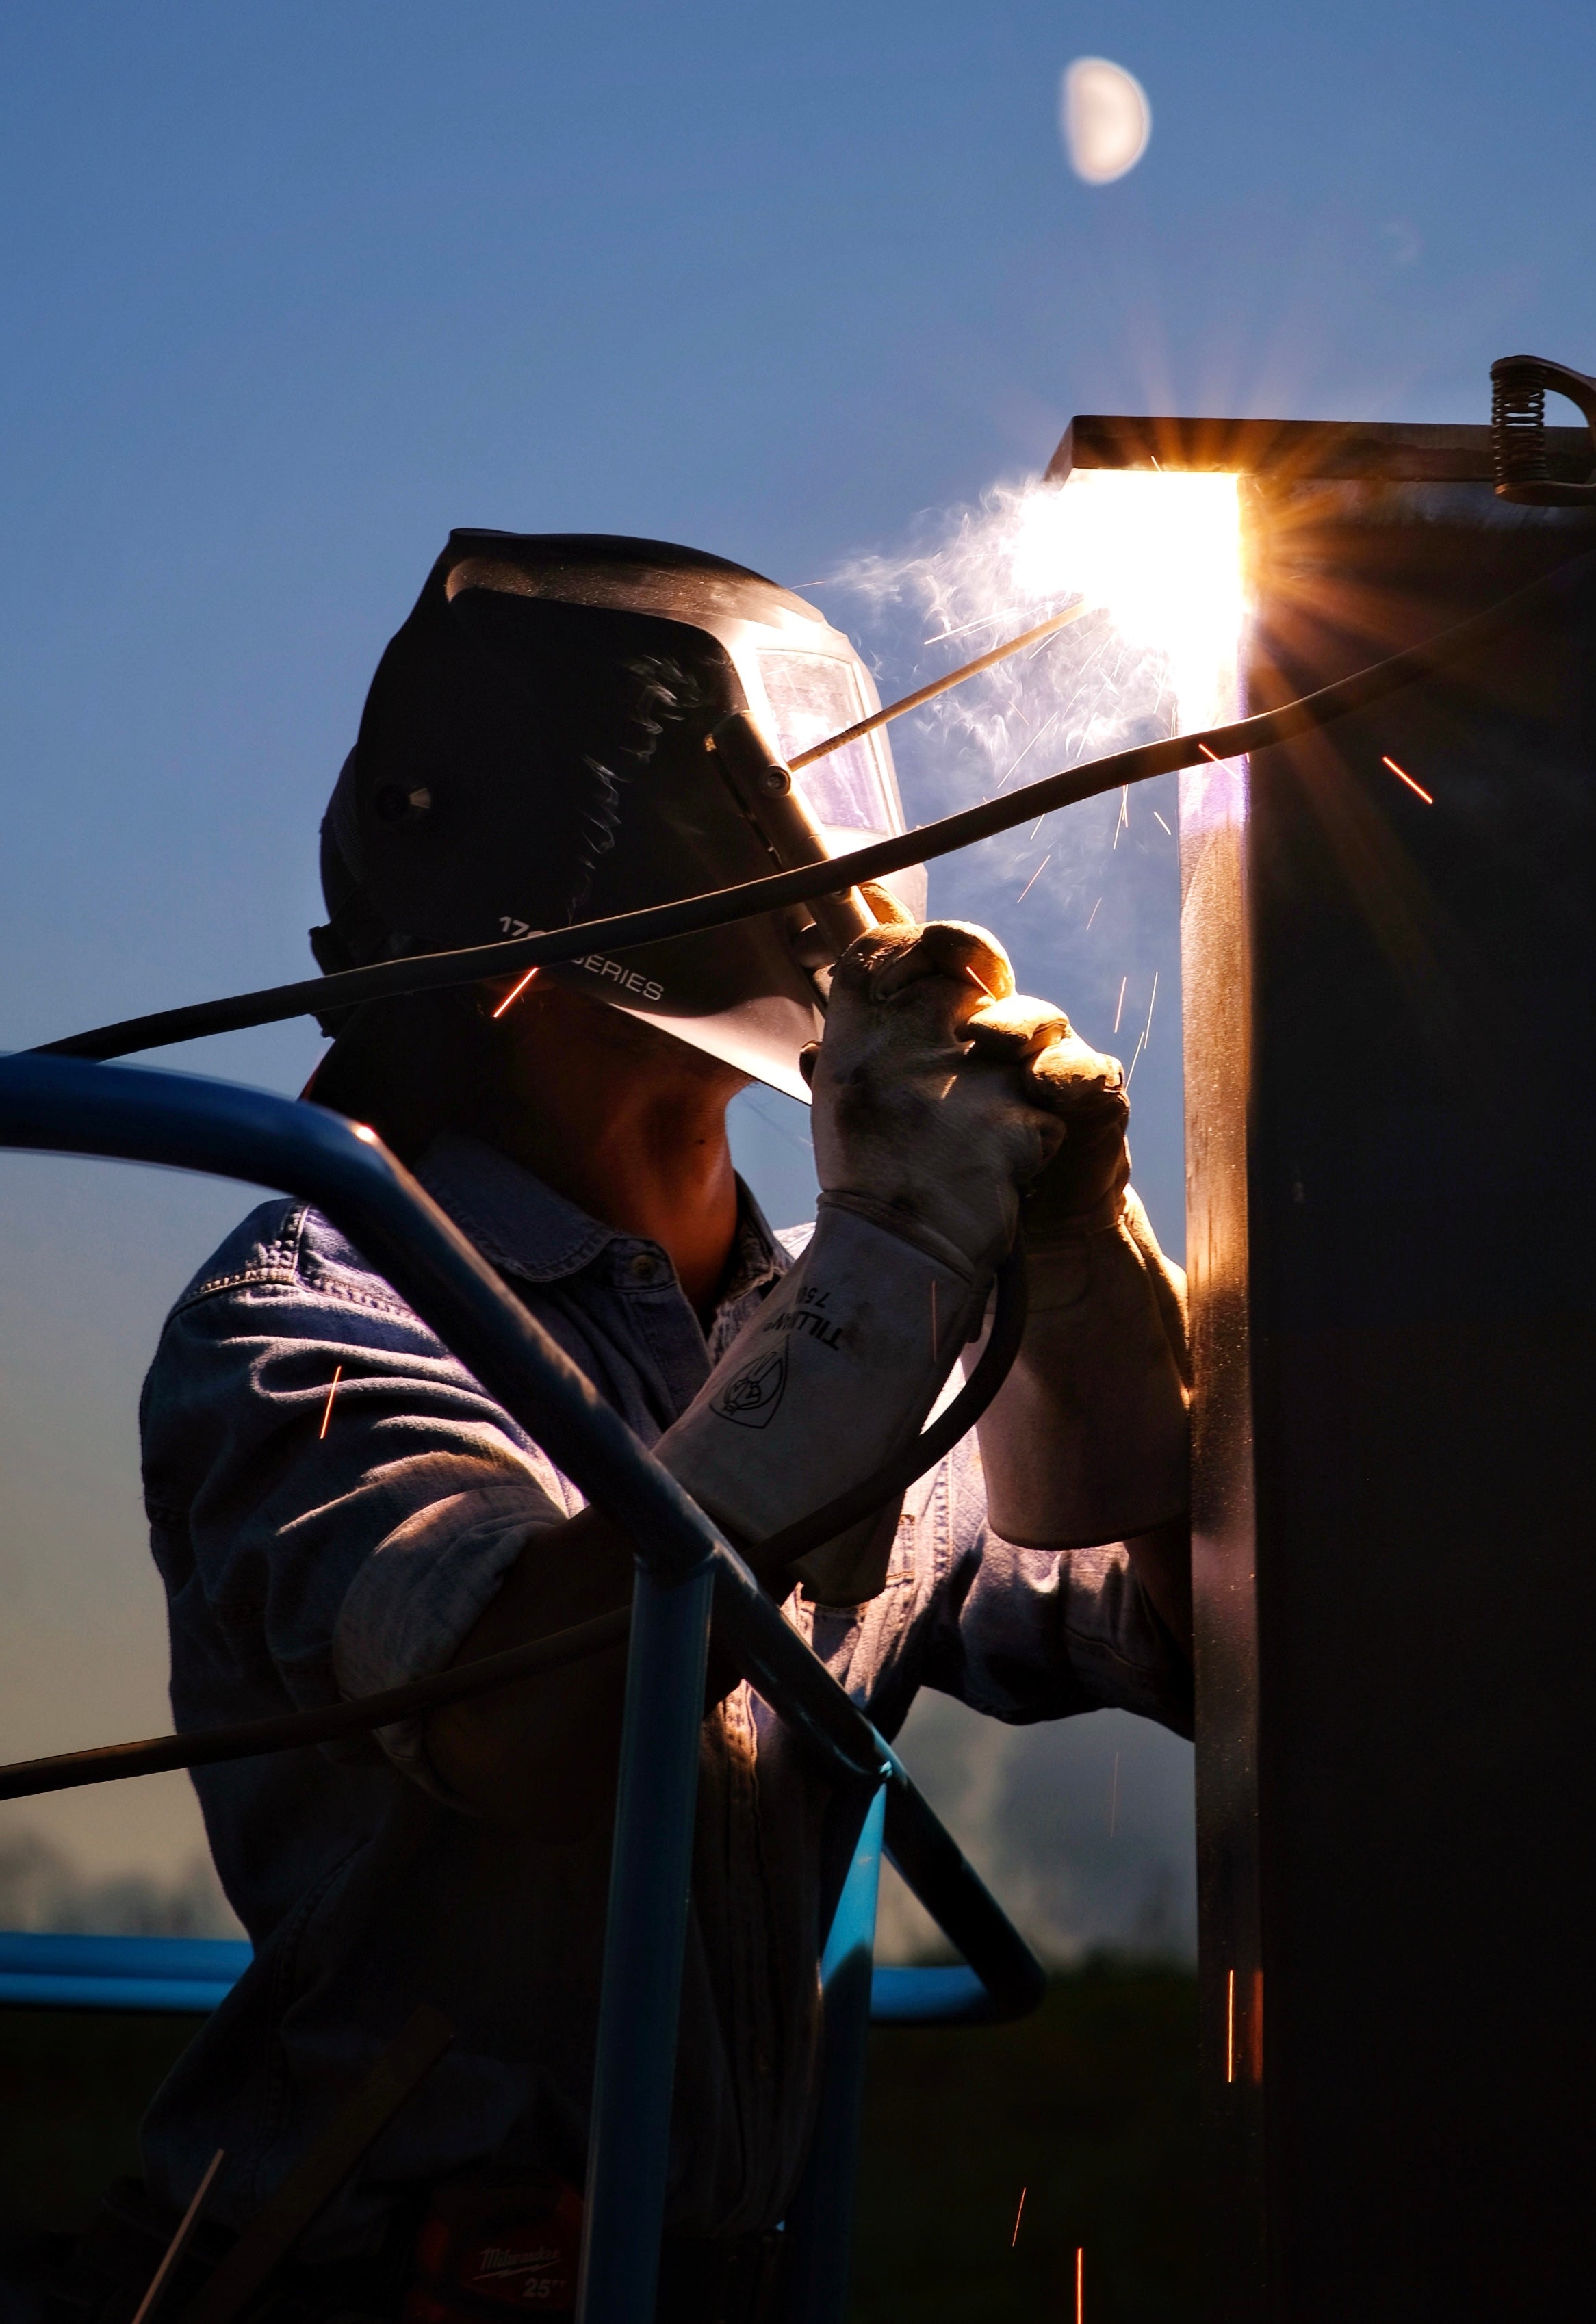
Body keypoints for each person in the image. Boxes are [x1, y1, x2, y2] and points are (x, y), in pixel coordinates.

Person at [86, 532, 1193, 2324]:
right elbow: (522, 1708)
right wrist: (887, 1294)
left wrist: (1080, 1295)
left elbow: (1200, 1649)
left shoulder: (865, 1307)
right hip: (356, 2286)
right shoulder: (310, 1312)